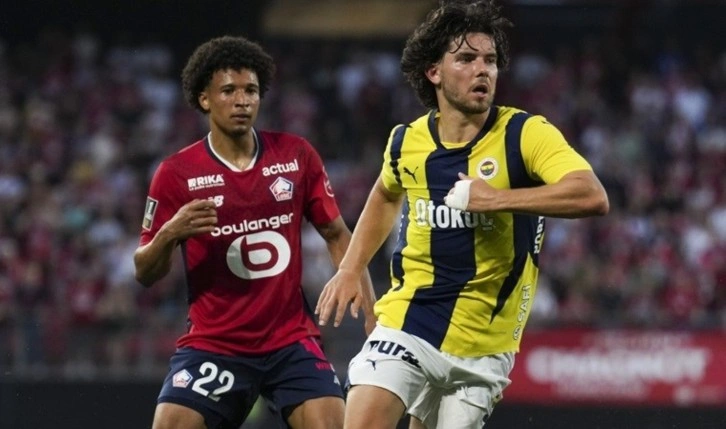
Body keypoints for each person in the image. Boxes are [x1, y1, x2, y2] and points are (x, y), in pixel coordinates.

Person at [315, 1, 610, 428]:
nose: (483, 70)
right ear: (434, 71)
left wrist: (496, 199)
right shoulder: (406, 141)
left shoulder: (525, 134)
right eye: (467, 59)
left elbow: (592, 195)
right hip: (408, 321)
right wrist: (350, 268)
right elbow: (385, 193)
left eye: (490, 60)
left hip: (484, 346)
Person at [134, 35, 376, 429]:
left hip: (290, 341)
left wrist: (370, 307)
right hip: (216, 344)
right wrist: (170, 233)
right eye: (228, 90)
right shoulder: (176, 173)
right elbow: (144, 271)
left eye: (251, 90)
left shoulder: (295, 155)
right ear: (204, 99)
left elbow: (336, 233)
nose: (242, 100)